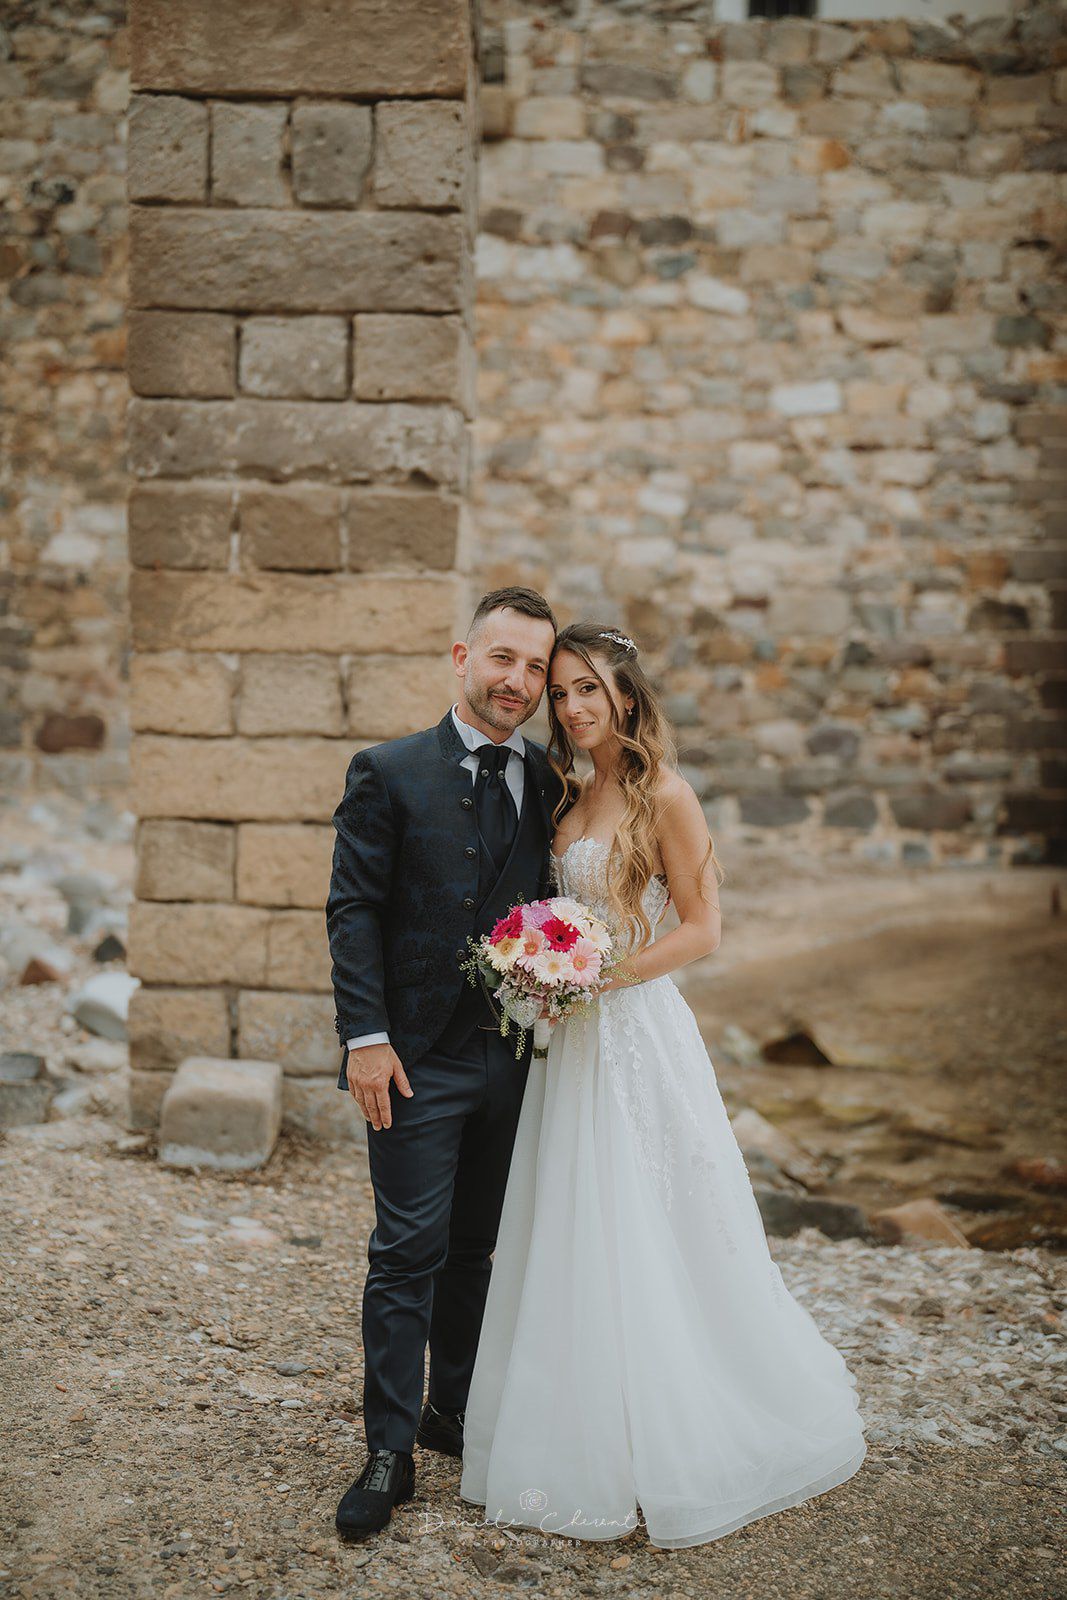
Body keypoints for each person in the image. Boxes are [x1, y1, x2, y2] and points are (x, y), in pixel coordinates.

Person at [460, 620, 867, 1550]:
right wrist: (537, 966)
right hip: (568, 1038)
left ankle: (678, 1428)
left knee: (648, 1216)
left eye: (588, 689)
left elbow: (702, 928)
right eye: (561, 692)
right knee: (570, 1217)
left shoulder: (667, 795)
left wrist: (595, 975)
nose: (571, 707)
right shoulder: (564, 791)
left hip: (634, 1030)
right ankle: (573, 1424)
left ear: (627, 695)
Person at [325, 587, 569, 1541]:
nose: (519, 682)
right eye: (503, 658)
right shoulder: (387, 770)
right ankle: (387, 1449)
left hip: (512, 1055)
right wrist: (366, 1038)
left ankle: (450, 1411)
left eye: (536, 668)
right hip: (413, 1059)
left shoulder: (549, 780)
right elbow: (353, 909)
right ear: (462, 657)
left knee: (475, 1250)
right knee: (405, 1253)